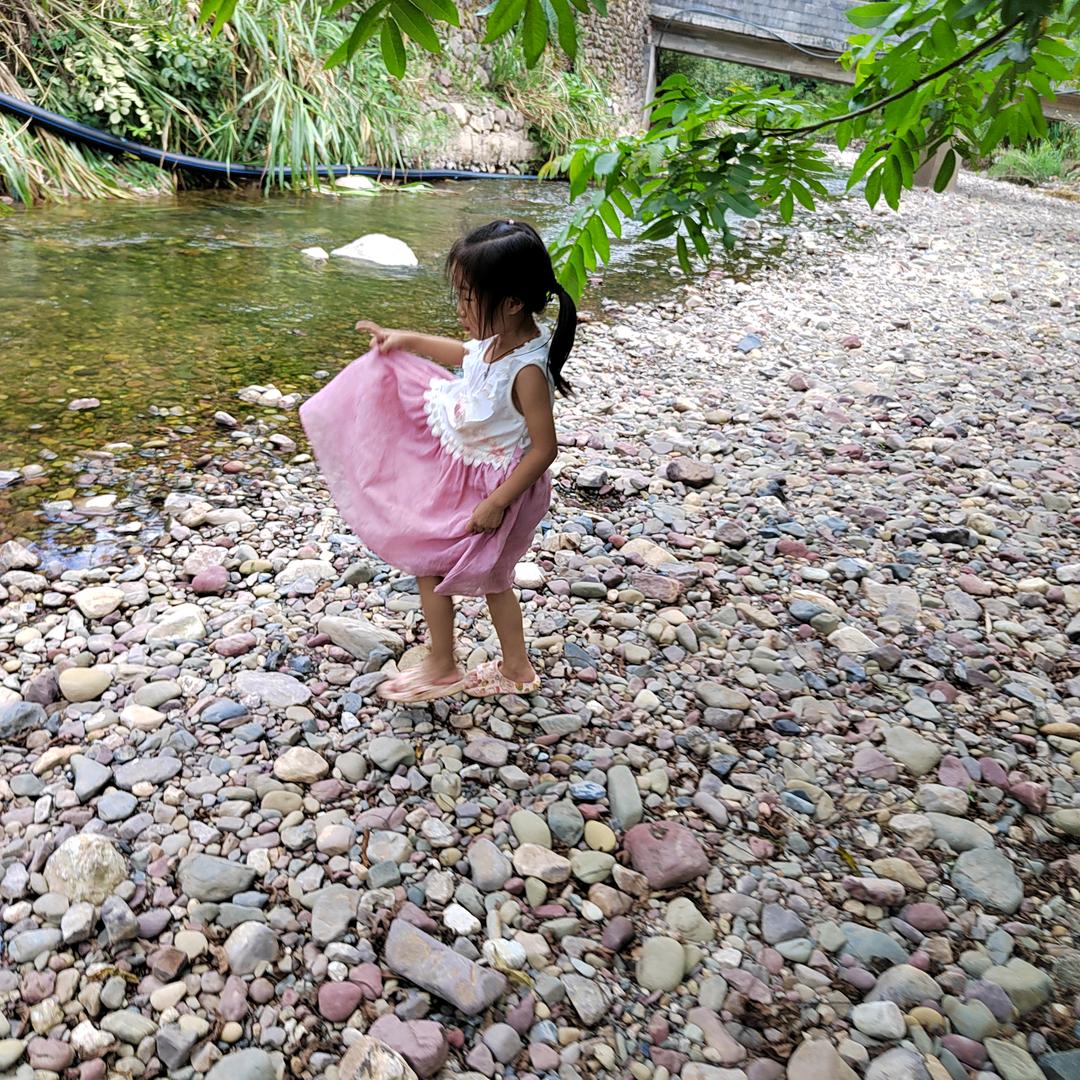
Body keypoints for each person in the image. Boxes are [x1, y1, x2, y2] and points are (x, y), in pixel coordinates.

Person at [300, 219, 577, 705]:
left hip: (496, 485)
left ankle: (463, 665)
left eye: (469, 298)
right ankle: (491, 665)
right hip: (466, 468)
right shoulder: (501, 339)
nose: (461, 308)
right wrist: (405, 340)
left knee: (479, 575)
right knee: (454, 569)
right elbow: (466, 355)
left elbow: (544, 449)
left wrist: (496, 503)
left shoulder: (529, 371)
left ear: (511, 303)